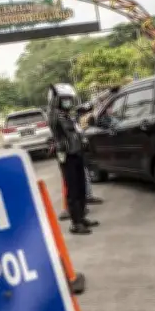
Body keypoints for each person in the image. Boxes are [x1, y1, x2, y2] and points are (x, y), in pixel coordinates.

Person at [47, 83, 99, 235]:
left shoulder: (67, 114)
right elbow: (60, 126)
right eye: (65, 99)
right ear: (57, 100)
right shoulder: (55, 115)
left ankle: (82, 217)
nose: (68, 101)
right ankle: (76, 223)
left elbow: (77, 120)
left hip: (77, 153)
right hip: (67, 156)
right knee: (73, 189)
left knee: (81, 187)